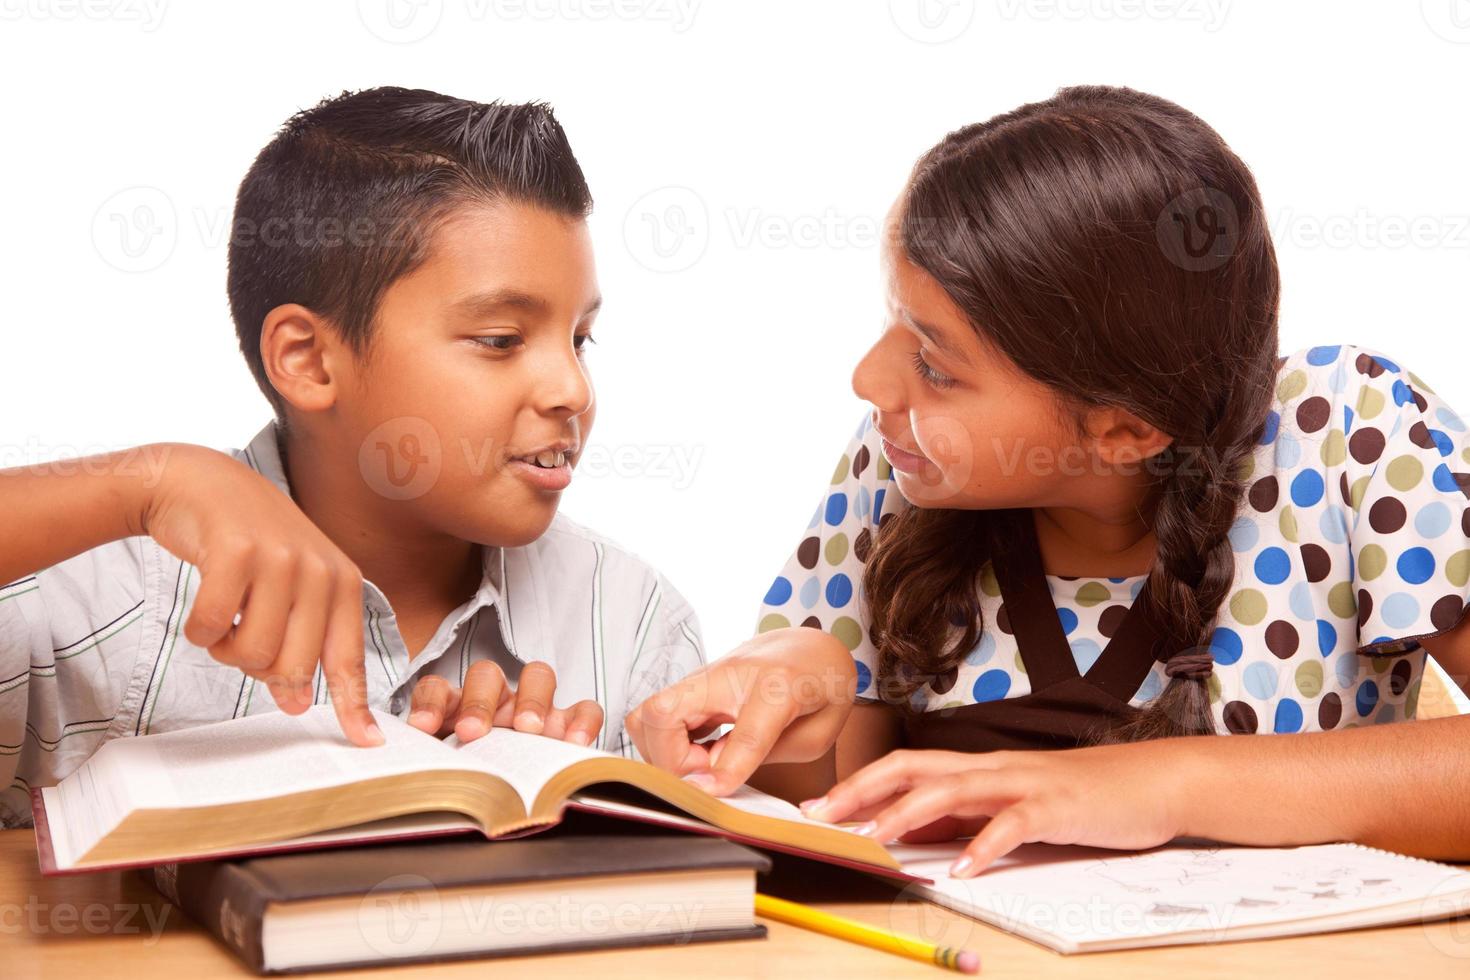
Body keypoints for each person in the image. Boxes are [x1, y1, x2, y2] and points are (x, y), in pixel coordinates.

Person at [625, 84, 1470, 876]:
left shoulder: (1348, 429)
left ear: (1126, 429)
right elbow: (849, 805)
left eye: (935, 363)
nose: (870, 382)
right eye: (895, 324)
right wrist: (801, 690)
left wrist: (1158, 784)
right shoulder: (911, 464)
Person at [0, 87, 704, 828]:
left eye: (580, 339)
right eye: (500, 339)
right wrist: (147, 484)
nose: (572, 388)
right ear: (307, 361)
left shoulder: (635, 627)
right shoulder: (106, 593)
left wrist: (545, 803)